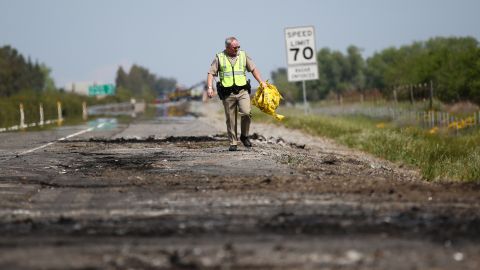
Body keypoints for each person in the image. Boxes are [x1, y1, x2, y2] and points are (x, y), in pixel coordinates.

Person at [207, 36, 267, 151]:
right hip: (227, 93)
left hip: (242, 91)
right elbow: (211, 73)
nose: (237, 49)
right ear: (227, 47)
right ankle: (233, 142)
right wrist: (210, 87)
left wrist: (261, 82)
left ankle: (244, 136)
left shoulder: (243, 55)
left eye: (238, 46)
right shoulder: (219, 57)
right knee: (230, 119)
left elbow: (253, 69)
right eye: (235, 47)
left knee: (246, 112)